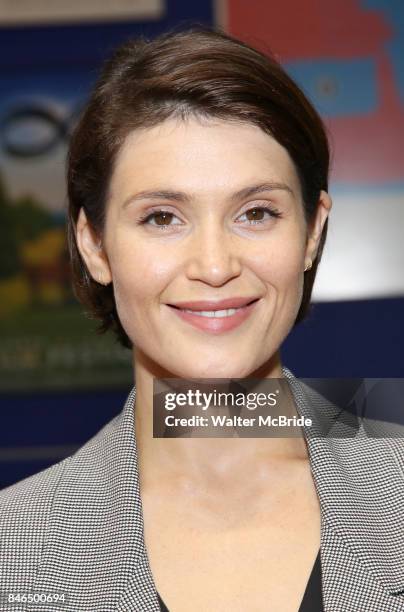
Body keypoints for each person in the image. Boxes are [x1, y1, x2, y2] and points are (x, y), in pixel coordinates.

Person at [1, 26, 403, 612]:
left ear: (312, 233)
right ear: (94, 245)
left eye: (257, 212)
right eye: (162, 218)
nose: (215, 266)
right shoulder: (15, 551)